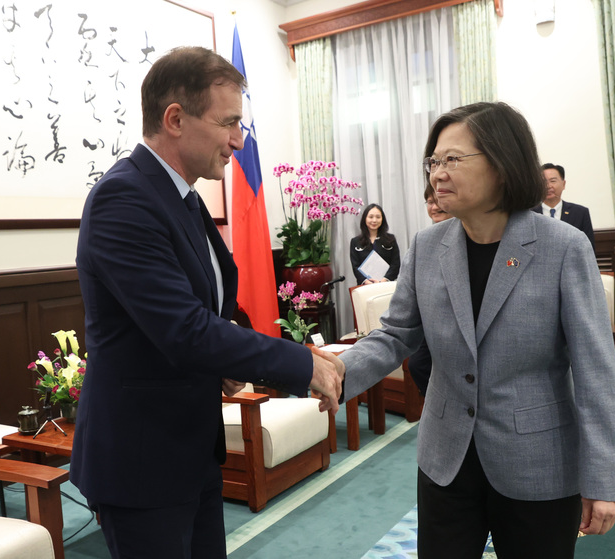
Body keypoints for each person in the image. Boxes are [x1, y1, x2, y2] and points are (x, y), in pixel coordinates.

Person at [320, 102, 615, 558]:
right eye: (434, 161)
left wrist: (604, 475)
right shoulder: (428, 246)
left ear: (503, 165)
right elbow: (396, 335)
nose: (437, 174)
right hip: (446, 460)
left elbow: (595, 369)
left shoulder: (563, 248)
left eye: (453, 160)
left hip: (537, 463)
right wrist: (335, 371)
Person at [70, 46, 341, 559]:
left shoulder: (185, 198)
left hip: (191, 446)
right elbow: (186, 330)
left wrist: (224, 366)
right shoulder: (123, 200)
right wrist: (299, 362)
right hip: (142, 460)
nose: (239, 140)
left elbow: (206, 315)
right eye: (229, 123)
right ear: (176, 119)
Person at [407, 184, 452, 396]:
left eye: (438, 200)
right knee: (417, 364)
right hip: (429, 321)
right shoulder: (422, 241)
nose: (435, 207)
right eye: (430, 202)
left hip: (457, 325)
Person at [532, 163, 596, 250]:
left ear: (563, 184)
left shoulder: (580, 213)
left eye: (553, 181)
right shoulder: (529, 214)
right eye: (543, 182)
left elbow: (589, 248)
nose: (548, 186)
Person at [349, 203, 401, 285]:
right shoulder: (355, 242)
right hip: (365, 287)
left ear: (382, 219)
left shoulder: (391, 240)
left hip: (386, 286)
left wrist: (383, 281)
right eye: (371, 217)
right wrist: (366, 282)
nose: (374, 220)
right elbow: (355, 266)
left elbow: (395, 264)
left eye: (378, 217)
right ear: (365, 219)